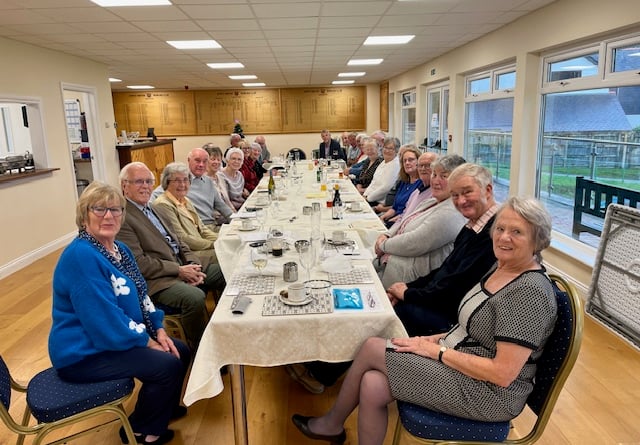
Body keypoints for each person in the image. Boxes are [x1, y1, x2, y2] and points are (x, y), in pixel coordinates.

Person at [292, 197, 558, 445]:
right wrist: (428, 340)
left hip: (490, 394)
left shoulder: (529, 292)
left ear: (538, 240)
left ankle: (331, 424)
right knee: (372, 384)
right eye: (500, 229)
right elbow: (468, 327)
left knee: (373, 347)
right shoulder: (501, 269)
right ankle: (332, 426)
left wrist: (436, 351)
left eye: (517, 232)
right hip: (465, 365)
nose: (503, 238)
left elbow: (502, 373)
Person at [49, 181, 190, 445]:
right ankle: (139, 431)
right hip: (83, 353)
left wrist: (158, 328)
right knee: (167, 363)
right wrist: (149, 342)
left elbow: (141, 295)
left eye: (115, 210)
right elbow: (104, 322)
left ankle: (160, 410)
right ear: (83, 215)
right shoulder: (82, 257)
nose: (109, 216)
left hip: (109, 339)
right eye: (99, 209)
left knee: (179, 349)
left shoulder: (119, 250)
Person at [117, 162, 225, 350]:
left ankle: (222, 329)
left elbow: (180, 243)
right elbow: (139, 263)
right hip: (158, 280)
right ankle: (201, 350)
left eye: (149, 181)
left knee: (225, 270)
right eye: (138, 182)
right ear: (124, 186)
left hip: (181, 266)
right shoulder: (123, 218)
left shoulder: (155, 208)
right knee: (194, 297)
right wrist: (180, 271)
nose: (145, 186)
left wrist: (192, 265)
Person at [386, 163, 499, 337]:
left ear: (488, 190)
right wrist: (407, 287)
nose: (461, 201)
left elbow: (456, 287)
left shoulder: (495, 233)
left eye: (467, 192)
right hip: (444, 302)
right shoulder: (471, 226)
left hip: (459, 320)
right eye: (455, 195)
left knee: (390, 314)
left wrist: (409, 294)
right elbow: (446, 269)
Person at [374, 154, 467, 288]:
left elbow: (415, 243)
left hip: (411, 281)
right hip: (391, 263)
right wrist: (386, 235)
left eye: (444, 176)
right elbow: (404, 219)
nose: (436, 181)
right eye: (434, 175)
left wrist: (383, 245)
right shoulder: (432, 201)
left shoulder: (452, 211)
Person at [152, 162, 218, 267]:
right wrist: (213, 245)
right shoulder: (163, 204)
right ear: (167, 182)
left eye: (185, 180)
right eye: (177, 180)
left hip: (201, 246)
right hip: (189, 254)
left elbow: (202, 229)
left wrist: (220, 239)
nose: (182, 185)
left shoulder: (185, 200)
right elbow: (182, 238)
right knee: (228, 254)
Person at [152, 147, 233, 231]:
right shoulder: (181, 181)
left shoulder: (208, 182)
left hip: (212, 226)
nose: (201, 165)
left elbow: (222, 206)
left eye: (205, 161)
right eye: (197, 161)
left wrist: (235, 221)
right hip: (195, 229)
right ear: (189, 160)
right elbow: (155, 196)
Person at [376, 145, 423, 227]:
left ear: (419, 161)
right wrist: (383, 217)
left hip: (403, 223)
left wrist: (390, 221)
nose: (407, 163)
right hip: (392, 219)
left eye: (411, 160)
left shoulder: (421, 184)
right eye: (404, 161)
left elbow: (411, 213)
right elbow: (394, 208)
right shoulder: (404, 182)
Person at [391, 151, 438, 227]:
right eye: (420, 165)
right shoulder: (415, 192)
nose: (423, 168)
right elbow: (403, 216)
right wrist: (388, 234)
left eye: (427, 165)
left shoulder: (436, 194)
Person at [203, 144, 235, 224]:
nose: (216, 162)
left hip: (227, 216)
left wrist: (235, 213)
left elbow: (227, 201)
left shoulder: (220, 177)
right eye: (213, 159)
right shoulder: (203, 180)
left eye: (218, 159)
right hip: (215, 221)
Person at [362, 137, 401, 204]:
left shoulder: (395, 165)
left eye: (391, 148)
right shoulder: (383, 162)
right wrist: (365, 195)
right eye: (385, 147)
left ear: (396, 151)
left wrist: (368, 198)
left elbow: (385, 188)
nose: (387, 151)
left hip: (380, 202)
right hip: (370, 198)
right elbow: (373, 182)